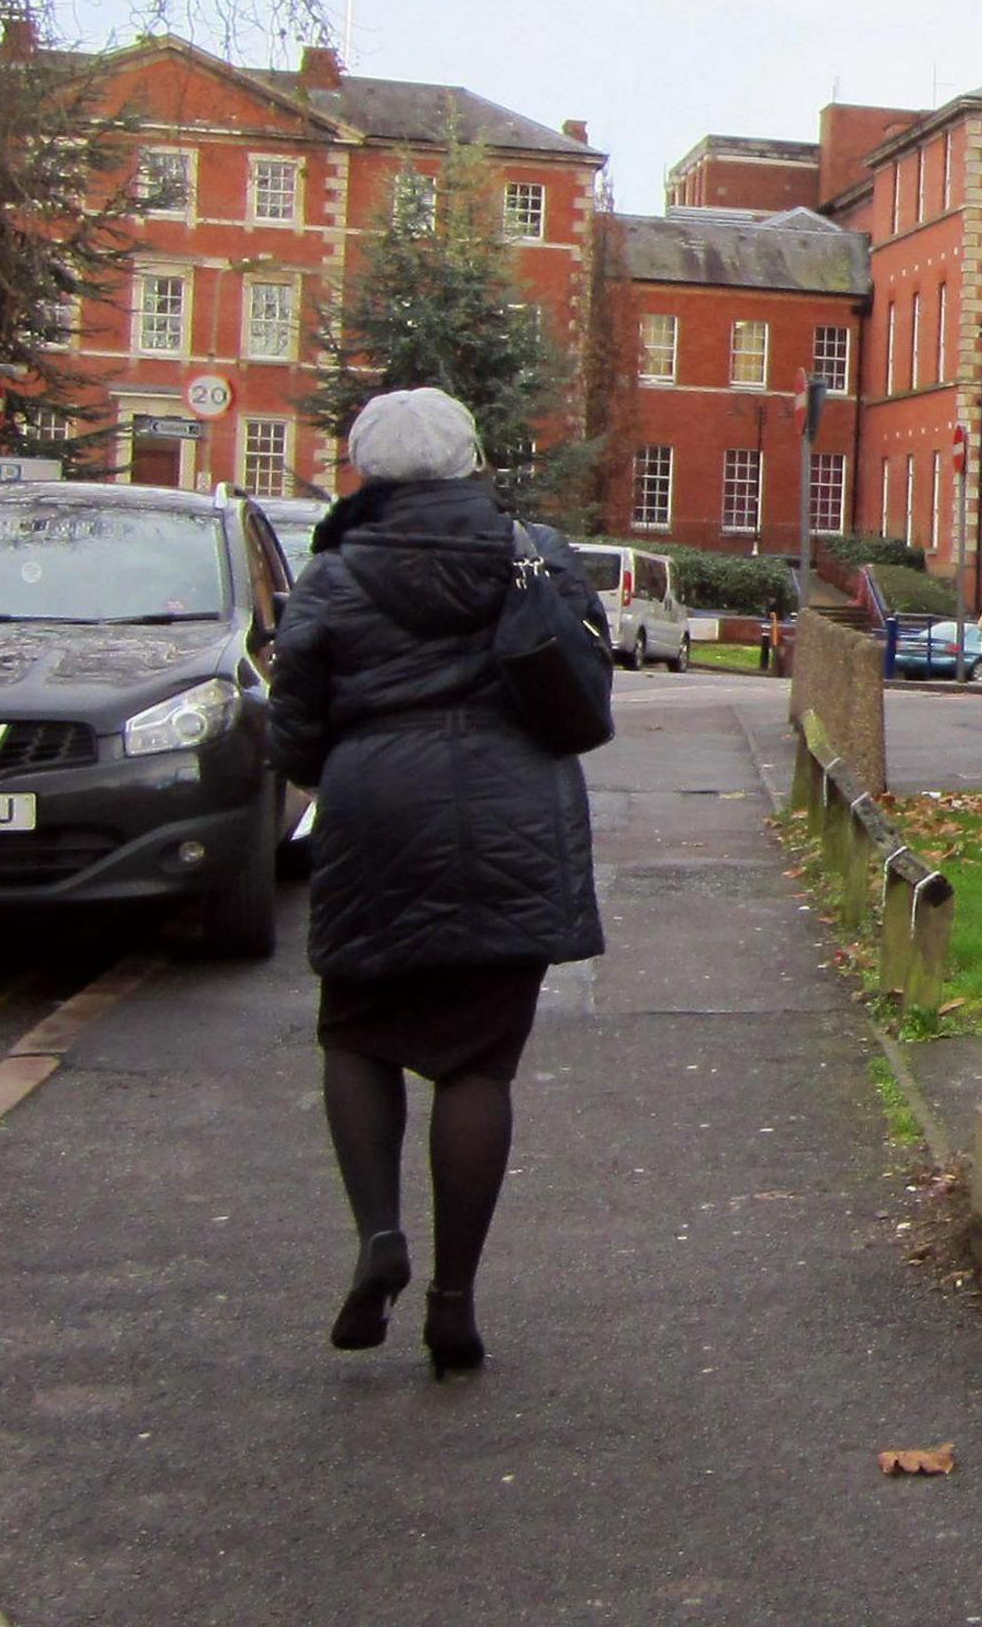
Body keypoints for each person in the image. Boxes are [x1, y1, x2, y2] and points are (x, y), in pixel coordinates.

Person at [268, 387, 608, 1378]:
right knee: (478, 1063)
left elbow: (295, 725)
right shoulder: (530, 550)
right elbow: (585, 677)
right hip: (512, 813)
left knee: (358, 1028)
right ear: (470, 462)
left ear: (369, 470)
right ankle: (454, 1301)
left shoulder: (335, 572)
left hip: (377, 810)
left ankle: (380, 1238)